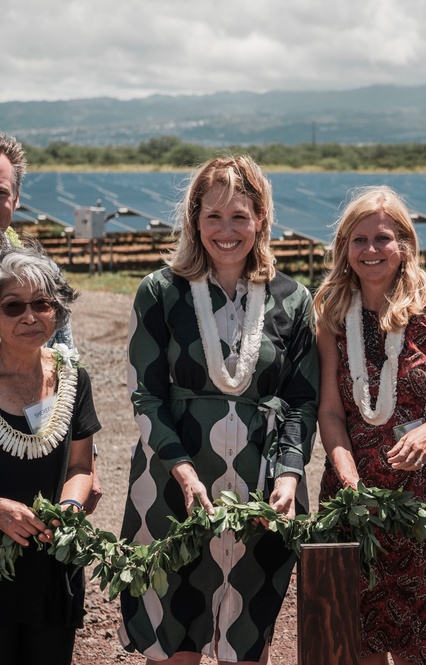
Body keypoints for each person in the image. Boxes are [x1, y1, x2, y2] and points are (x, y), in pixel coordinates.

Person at [118, 155, 319, 664]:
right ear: (194, 220)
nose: (226, 230)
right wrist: (184, 474)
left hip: (261, 484)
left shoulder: (293, 299)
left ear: (262, 220)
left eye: (240, 216)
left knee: (246, 642)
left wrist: (291, 477)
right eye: (213, 216)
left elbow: (301, 400)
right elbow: (145, 394)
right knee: (176, 637)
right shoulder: (161, 293)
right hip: (171, 480)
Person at [312, 185, 426, 665]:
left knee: (420, 647)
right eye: (358, 239)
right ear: (345, 247)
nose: (370, 250)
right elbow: (330, 411)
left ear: (404, 244)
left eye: (382, 238)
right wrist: (345, 474)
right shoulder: (331, 317)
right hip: (352, 500)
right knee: (355, 639)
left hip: (425, 504)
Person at [0, 243, 100, 665]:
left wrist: (71, 508)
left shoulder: (73, 378)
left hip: (50, 566)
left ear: (57, 310)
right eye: (12, 306)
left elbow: (81, 466)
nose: (29, 316)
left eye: (42, 303)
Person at [0, 132, 101, 513]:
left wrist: (89, 461)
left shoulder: (41, 273)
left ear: (16, 198)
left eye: (0, 193)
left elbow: (66, 360)